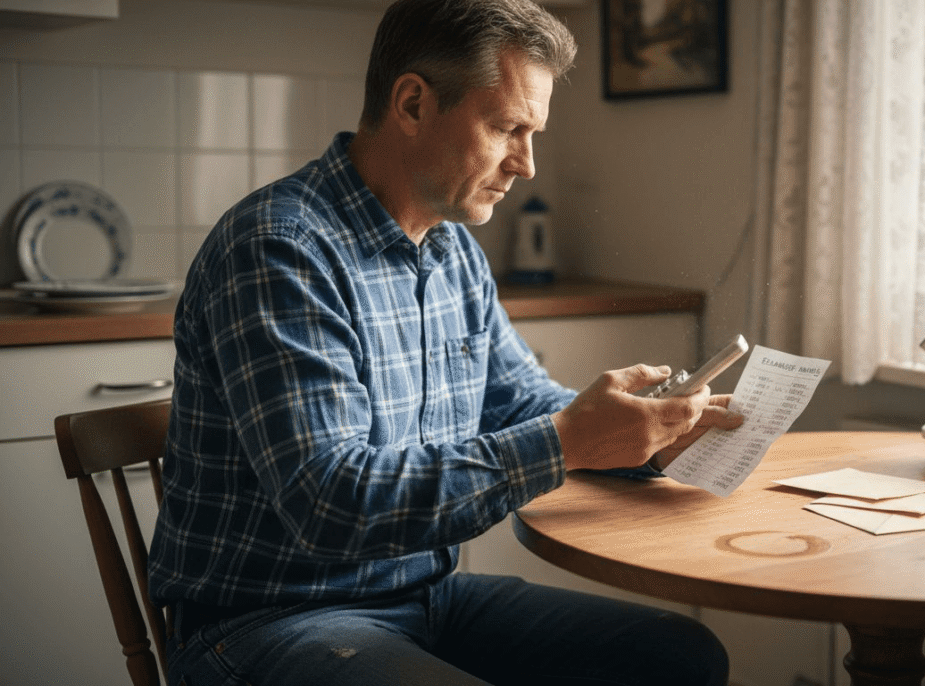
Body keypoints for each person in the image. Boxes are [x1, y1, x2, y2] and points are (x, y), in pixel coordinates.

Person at [147, 1, 743, 684]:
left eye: (533, 132)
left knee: (679, 654)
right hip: (266, 621)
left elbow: (518, 401)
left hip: (425, 597)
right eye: (507, 128)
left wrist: (644, 436)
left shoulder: (452, 247)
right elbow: (329, 503)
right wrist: (570, 440)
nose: (527, 164)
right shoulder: (280, 250)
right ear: (411, 103)